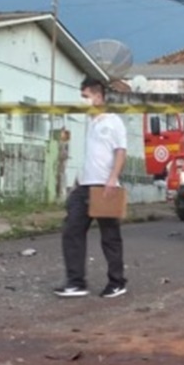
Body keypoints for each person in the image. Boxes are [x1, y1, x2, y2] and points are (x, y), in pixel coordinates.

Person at [54, 77, 128, 299]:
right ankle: (76, 282)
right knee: (72, 230)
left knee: (109, 236)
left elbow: (121, 152)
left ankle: (117, 282)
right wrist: (78, 181)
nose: (83, 100)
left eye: (85, 96)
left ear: (98, 96)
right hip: (84, 186)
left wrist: (112, 179)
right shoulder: (90, 122)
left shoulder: (113, 121)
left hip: (105, 186)